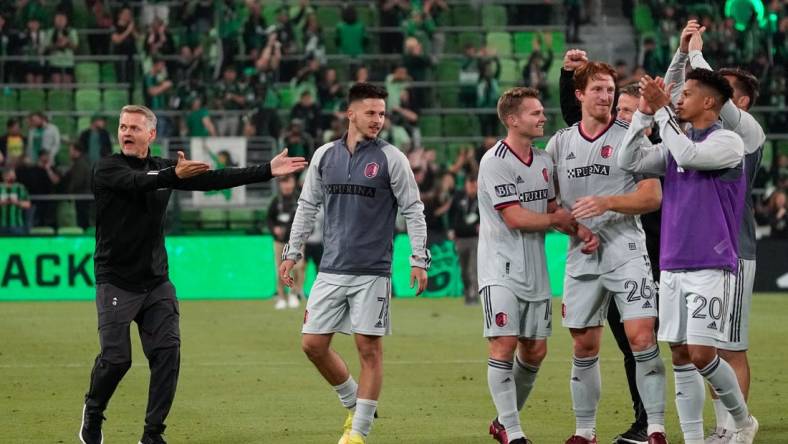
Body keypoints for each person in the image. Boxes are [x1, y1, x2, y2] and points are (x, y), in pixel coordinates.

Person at [78, 105, 306, 444]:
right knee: (116, 360)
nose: (126, 133)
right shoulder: (108, 168)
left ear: (151, 135)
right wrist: (175, 175)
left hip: (156, 281)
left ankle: (152, 435)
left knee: (167, 354)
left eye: (134, 128)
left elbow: (214, 179)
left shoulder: (165, 167)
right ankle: (93, 413)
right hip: (116, 280)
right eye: (123, 126)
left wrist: (266, 170)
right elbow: (137, 183)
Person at [279, 83, 430, 444]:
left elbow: (413, 209)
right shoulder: (324, 156)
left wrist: (418, 258)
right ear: (350, 114)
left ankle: (358, 432)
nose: (378, 120)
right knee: (312, 344)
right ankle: (354, 400)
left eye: (382, 113)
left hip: (372, 271)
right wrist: (292, 250)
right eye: (370, 113)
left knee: (368, 349)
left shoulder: (392, 157)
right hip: (330, 267)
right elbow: (306, 206)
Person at [618, 69, 759, 444]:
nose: (680, 99)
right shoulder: (673, 142)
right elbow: (627, 161)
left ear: (709, 102)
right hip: (672, 262)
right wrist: (645, 115)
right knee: (681, 353)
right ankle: (694, 439)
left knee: (701, 353)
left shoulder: (728, 142)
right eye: (678, 96)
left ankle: (742, 421)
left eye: (688, 94)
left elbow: (691, 155)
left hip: (711, 263)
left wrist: (662, 111)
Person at [546, 61, 666, 444]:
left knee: (642, 337)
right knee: (584, 343)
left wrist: (607, 203)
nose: (606, 96)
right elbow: (551, 205)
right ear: (580, 95)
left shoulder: (631, 138)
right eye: (597, 89)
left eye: (610, 90)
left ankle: (656, 428)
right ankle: (584, 431)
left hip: (626, 249)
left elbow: (652, 195)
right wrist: (577, 227)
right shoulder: (559, 143)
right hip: (580, 253)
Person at [662, 21, 766, 444]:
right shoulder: (702, 130)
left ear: (736, 101)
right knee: (701, 349)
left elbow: (706, 98)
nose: (700, 92)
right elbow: (672, 98)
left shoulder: (747, 133)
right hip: (698, 247)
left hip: (732, 249)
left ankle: (734, 426)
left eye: (717, 89)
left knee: (730, 346)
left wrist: (699, 52)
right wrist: (682, 53)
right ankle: (722, 426)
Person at [479, 87, 596, 444]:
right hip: (500, 269)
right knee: (504, 343)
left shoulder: (544, 161)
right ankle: (513, 433)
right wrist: (558, 221)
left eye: (542, 112)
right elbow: (514, 217)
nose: (543, 117)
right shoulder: (495, 161)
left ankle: (502, 421)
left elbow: (548, 210)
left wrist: (579, 229)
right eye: (535, 113)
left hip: (536, 271)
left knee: (535, 350)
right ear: (513, 120)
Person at [268, 174, 303, 310]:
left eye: (289, 182)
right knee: (280, 269)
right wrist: (274, 229)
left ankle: (294, 294)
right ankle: (281, 297)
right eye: (284, 183)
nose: (287, 186)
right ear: (280, 185)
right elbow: (269, 219)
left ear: (294, 183)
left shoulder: (299, 199)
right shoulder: (276, 201)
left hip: (296, 242)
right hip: (279, 242)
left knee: (298, 268)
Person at [448, 172, 480, 305]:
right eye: (470, 185)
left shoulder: (482, 198)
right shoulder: (459, 196)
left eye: (474, 185)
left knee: (473, 268)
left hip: (475, 238)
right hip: (460, 238)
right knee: (464, 270)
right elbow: (451, 213)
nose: (472, 188)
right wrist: (450, 229)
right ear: (466, 185)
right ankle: (468, 293)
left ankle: (474, 296)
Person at [0, 167, 31, 235]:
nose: (12, 177)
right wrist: (2, 202)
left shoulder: (20, 188)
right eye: (10, 175)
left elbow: (28, 204)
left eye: (13, 175)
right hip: (1, 224)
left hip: (16, 224)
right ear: (4, 176)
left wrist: (17, 202)